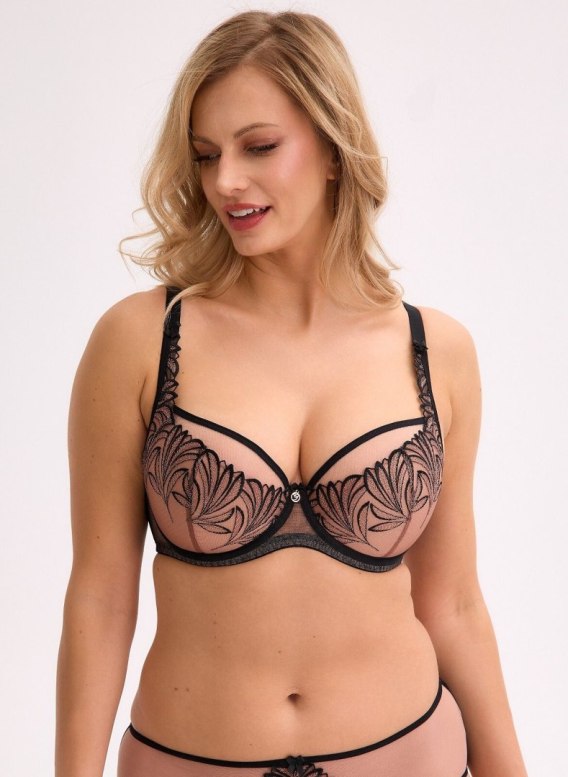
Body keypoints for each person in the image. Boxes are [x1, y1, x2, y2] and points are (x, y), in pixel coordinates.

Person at [55, 10, 529, 777]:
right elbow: (101, 598)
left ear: (335, 149)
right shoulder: (142, 340)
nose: (225, 181)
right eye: (205, 155)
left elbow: (454, 604)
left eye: (259, 146)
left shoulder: (437, 353)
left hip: (408, 755)